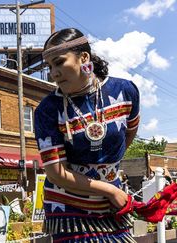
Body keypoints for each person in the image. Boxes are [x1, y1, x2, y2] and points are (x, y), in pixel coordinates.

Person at [34, 28, 140, 242]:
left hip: (112, 205)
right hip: (69, 207)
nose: (53, 72)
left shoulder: (125, 92)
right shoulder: (48, 109)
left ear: (84, 57)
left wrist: (109, 177)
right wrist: (109, 190)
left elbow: (127, 135)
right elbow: (56, 173)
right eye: (50, 66)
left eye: (59, 62)